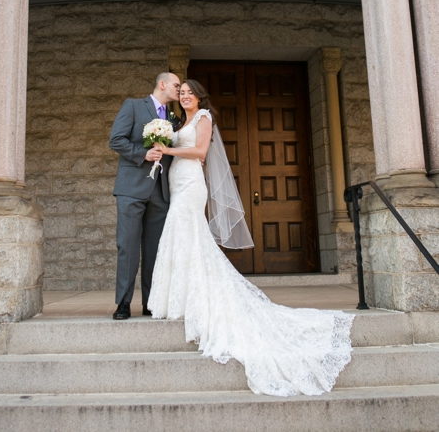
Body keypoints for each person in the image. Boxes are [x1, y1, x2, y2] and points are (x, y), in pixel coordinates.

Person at [150, 79, 353, 396]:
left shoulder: (204, 117)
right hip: (177, 183)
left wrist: (169, 149)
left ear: (200, 97)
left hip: (191, 185)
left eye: (191, 93)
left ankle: (196, 297)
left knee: (189, 234)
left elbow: (201, 150)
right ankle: (179, 296)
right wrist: (163, 146)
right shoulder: (179, 121)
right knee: (180, 238)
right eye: (183, 93)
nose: (186, 96)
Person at [108, 73, 182, 320]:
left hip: (160, 192)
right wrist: (143, 154)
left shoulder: (174, 119)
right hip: (131, 189)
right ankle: (123, 303)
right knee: (127, 247)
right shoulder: (133, 106)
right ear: (163, 84)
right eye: (176, 85)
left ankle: (151, 302)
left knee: (154, 250)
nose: (179, 90)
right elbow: (116, 140)